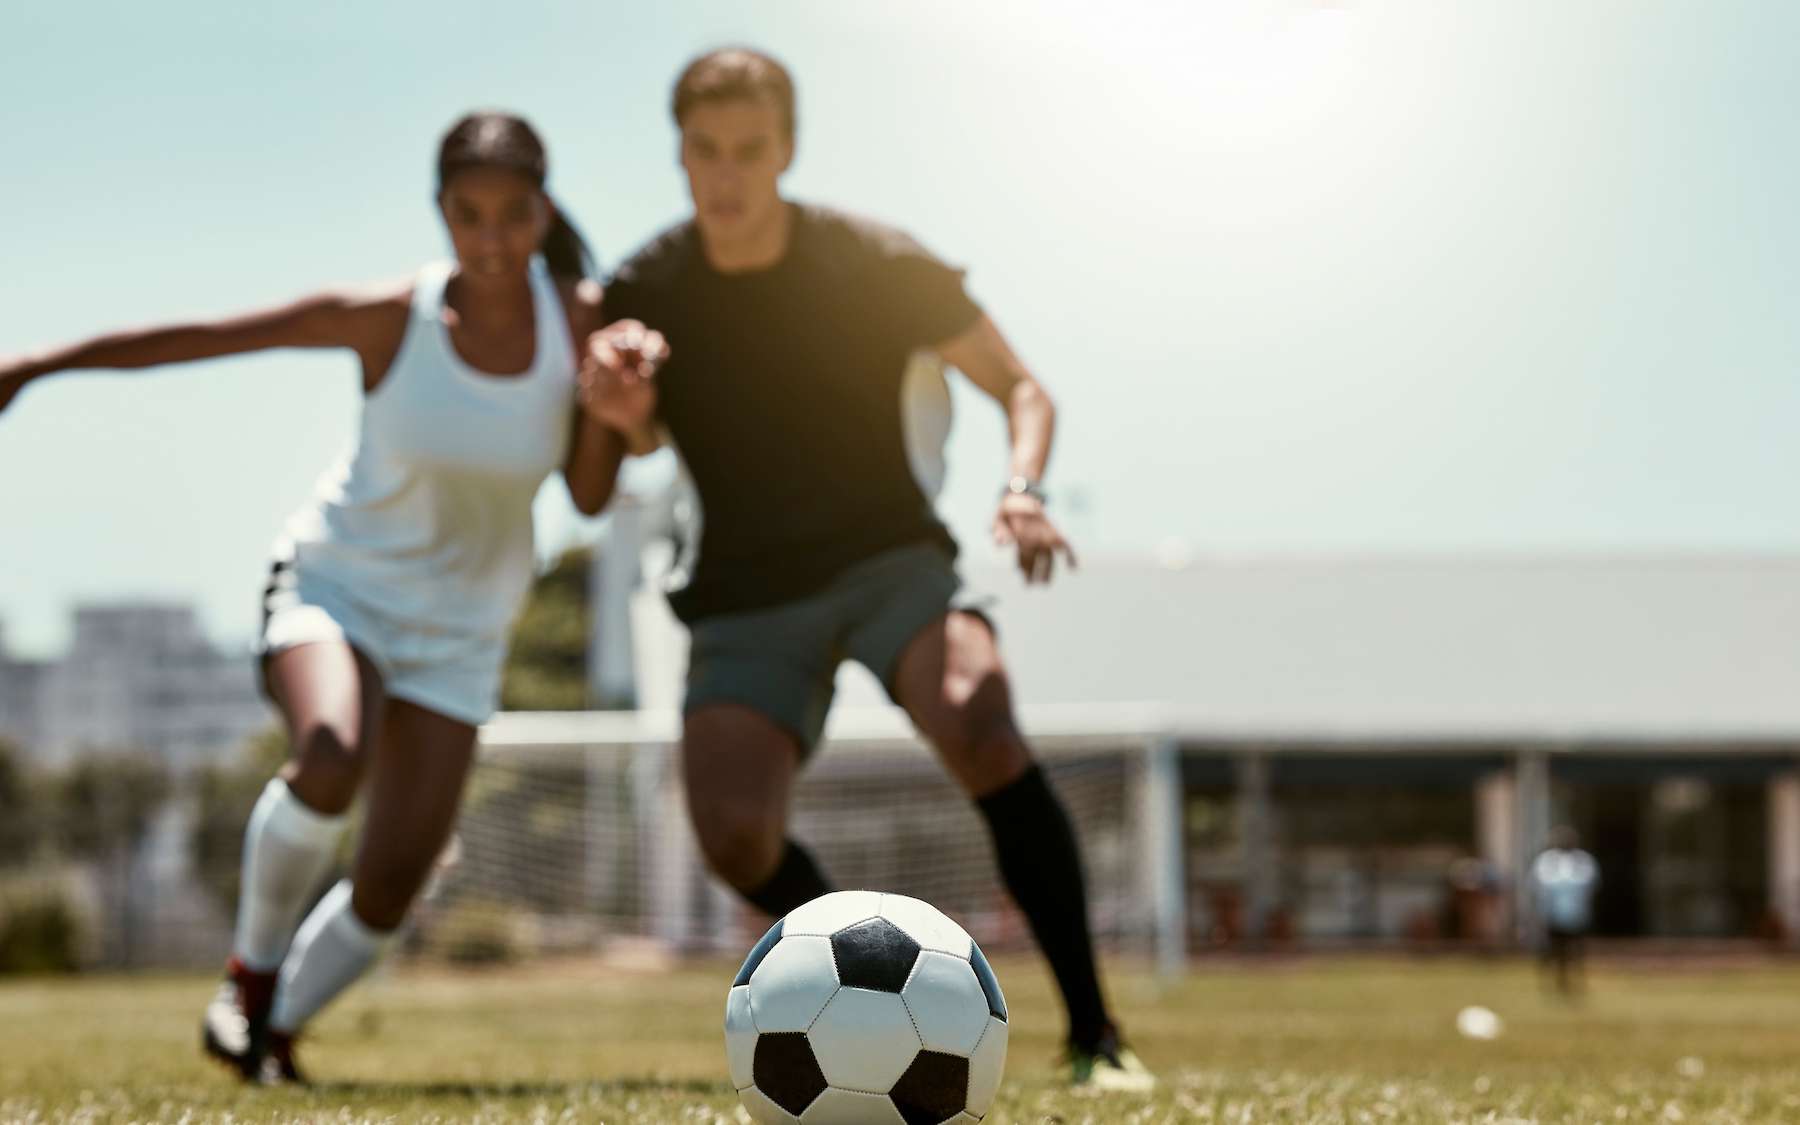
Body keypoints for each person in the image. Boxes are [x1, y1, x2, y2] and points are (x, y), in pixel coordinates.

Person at [0, 111, 663, 1083]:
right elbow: (211, 337)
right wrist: (42, 362)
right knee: (330, 751)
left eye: (512, 217)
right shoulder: (390, 316)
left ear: (542, 210)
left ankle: (265, 1039)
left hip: (462, 635)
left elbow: (592, 495)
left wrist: (619, 414)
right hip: (336, 587)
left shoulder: (581, 321)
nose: (490, 241)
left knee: (390, 886)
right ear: (441, 212)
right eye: (468, 215)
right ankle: (247, 977)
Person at [580, 47, 1153, 1090]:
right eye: (705, 151)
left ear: (786, 149)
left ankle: (1095, 1036)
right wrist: (618, 415)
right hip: (746, 592)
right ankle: (855, 977)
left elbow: (1025, 389)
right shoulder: (648, 288)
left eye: (751, 150)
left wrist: (1022, 490)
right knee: (733, 835)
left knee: (979, 715)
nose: (728, 175)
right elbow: (636, 438)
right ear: (680, 154)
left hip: (888, 557)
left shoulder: (876, 264)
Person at [1532, 825, 1600, 998]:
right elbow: (1539, 886)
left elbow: (1590, 884)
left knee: (1575, 951)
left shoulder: (1583, 860)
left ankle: (1575, 983)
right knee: (1552, 951)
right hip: (1552, 915)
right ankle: (1551, 984)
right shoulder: (1546, 860)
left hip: (1576, 914)